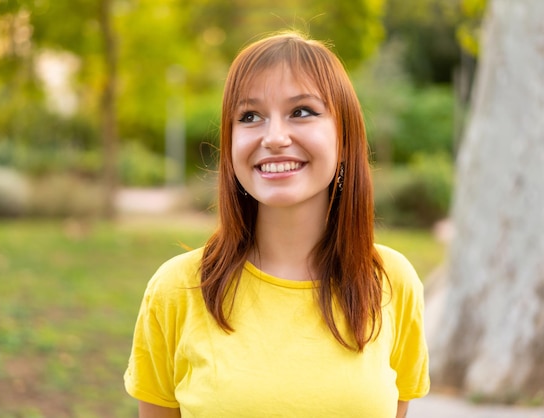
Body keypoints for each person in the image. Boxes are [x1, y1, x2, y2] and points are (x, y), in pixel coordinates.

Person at [124, 31, 430, 418]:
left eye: (301, 111)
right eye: (250, 116)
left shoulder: (391, 283)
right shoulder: (175, 290)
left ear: (344, 135)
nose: (274, 138)